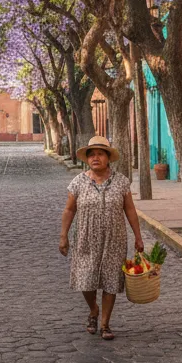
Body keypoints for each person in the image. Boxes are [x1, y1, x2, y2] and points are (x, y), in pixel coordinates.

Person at [59, 135, 145, 340]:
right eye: (92, 155)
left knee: (111, 280)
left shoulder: (121, 181)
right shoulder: (78, 181)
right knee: (85, 280)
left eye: (100, 154)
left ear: (108, 158)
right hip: (86, 238)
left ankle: (105, 324)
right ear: (87, 159)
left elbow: (130, 210)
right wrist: (63, 236)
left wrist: (138, 237)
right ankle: (93, 309)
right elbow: (69, 210)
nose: (95, 158)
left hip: (115, 238)